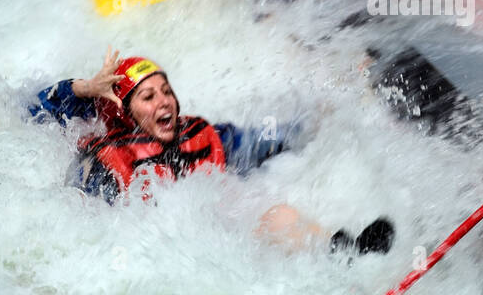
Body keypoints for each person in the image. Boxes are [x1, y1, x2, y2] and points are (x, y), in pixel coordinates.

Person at [29, 51, 393, 254]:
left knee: (278, 214)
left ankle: (346, 252)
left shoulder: (200, 135)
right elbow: (32, 111)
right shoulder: (105, 167)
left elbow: (262, 143)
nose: (164, 101)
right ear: (124, 113)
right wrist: (82, 89)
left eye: (166, 90)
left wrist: (322, 117)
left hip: (222, 243)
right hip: (166, 261)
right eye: (148, 96)